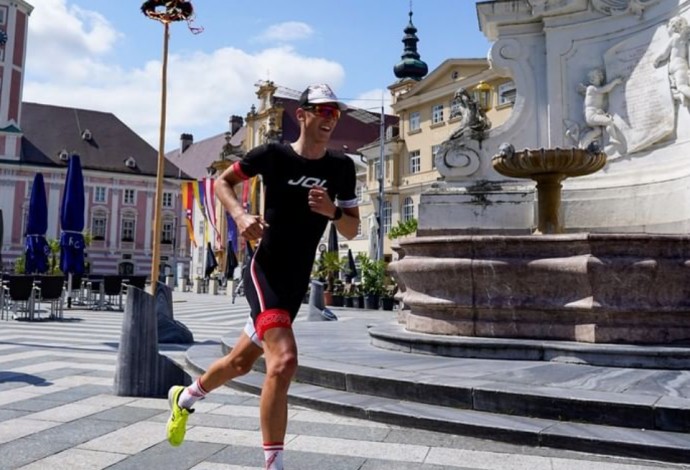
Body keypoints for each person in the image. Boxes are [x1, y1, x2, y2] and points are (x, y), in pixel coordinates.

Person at [165, 83, 360, 470]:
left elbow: (353, 229)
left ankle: (184, 398)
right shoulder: (273, 155)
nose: (329, 119)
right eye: (321, 111)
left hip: (296, 280)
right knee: (284, 361)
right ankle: (274, 465)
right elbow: (220, 182)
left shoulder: (341, 167)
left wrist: (333, 213)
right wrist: (239, 216)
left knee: (239, 363)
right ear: (301, 115)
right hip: (266, 269)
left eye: (334, 113)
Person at [577, 68, 623, 149]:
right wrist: (615, 82)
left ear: (600, 78)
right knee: (608, 122)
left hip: (591, 114)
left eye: (594, 77)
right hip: (591, 115)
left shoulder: (594, 89)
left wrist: (600, 111)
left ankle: (583, 143)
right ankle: (613, 139)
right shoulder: (592, 88)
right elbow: (605, 89)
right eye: (591, 77)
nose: (592, 79)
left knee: (597, 131)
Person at [654, 15, 690, 104]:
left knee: (681, 86)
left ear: (673, 27)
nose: (667, 29)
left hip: (678, 66)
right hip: (679, 67)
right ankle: (684, 98)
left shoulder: (675, 38)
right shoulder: (681, 39)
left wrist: (656, 60)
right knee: (677, 88)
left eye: (668, 26)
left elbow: (664, 53)